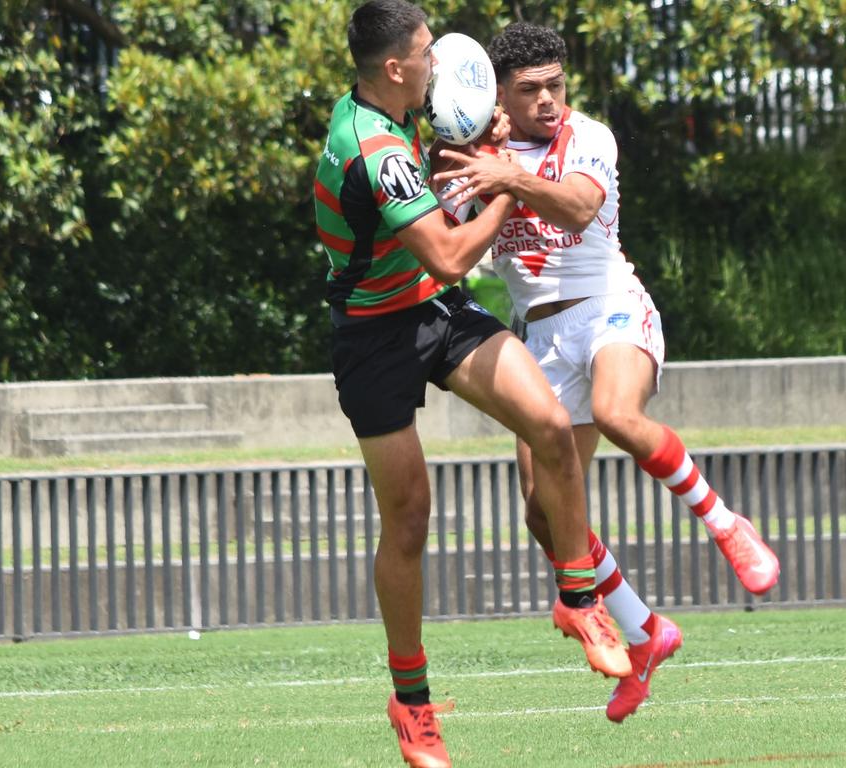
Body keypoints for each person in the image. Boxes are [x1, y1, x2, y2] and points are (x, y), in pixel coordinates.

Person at [434, 22, 781, 723]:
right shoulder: (473, 157)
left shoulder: (589, 137)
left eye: (555, 85)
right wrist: (478, 167)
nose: (547, 101)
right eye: (529, 90)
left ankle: (724, 524)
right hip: (542, 335)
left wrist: (508, 174)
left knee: (620, 413)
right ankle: (646, 632)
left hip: (610, 307)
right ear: (498, 93)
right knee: (543, 513)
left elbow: (581, 205)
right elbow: (450, 245)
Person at [313, 5, 631, 766]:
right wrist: (509, 187)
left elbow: (437, 263)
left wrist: (481, 157)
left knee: (550, 426)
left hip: (433, 309)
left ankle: (580, 599)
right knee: (410, 519)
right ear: (396, 69)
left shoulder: (395, 111)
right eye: (427, 54)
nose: (440, 64)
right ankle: (413, 704)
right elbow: (453, 256)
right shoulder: (374, 144)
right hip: (373, 333)